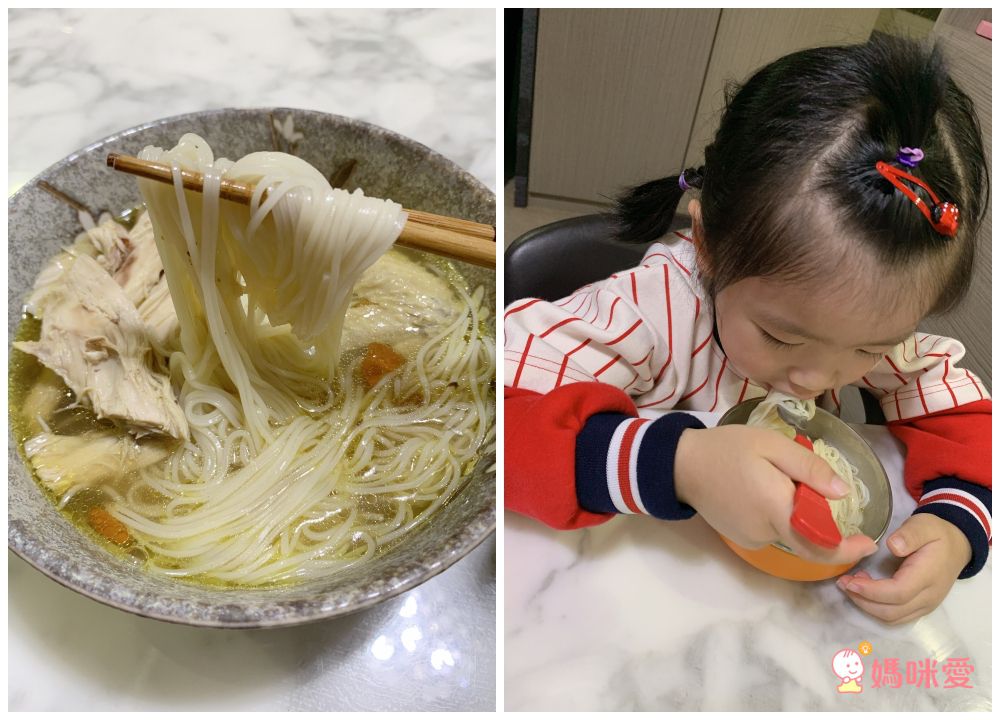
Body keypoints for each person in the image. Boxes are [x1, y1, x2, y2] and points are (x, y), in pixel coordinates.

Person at [504, 34, 991, 625]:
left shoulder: (858, 326)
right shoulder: (648, 313)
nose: (818, 378)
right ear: (707, 245)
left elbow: (959, 408)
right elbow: (495, 424)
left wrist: (957, 518)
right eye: (782, 338)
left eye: (869, 348)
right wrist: (679, 464)